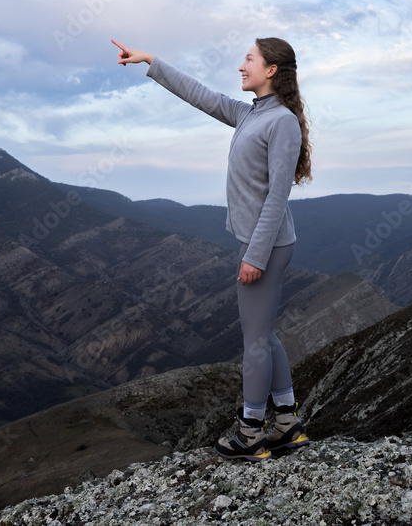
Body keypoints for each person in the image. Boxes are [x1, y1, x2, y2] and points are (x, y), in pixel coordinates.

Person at [112, 37, 312, 461]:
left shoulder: (282, 123)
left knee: (254, 339)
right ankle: (287, 423)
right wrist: (151, 60)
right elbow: (201, 95)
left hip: (269, 244)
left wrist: (254, 256)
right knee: (265, 334)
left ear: (271, 69)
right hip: (265, 240)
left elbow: (278, 197)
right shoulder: (250, 114)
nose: (242, 66)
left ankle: (251, 430)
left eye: (250, 59)